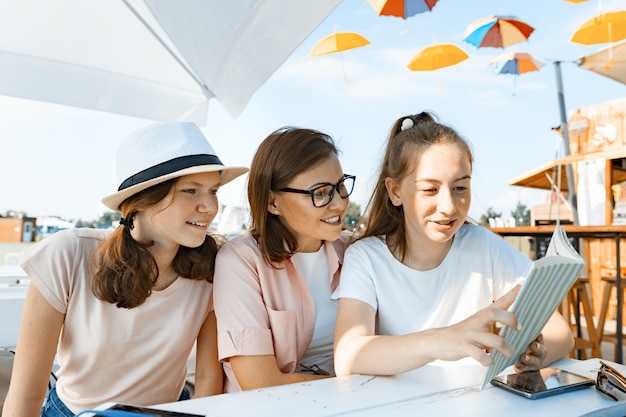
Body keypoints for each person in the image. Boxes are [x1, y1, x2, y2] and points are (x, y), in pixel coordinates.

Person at [2, 121, 248, 417]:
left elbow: (209, 380)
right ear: (141, 201)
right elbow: (26, 395)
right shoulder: (68, 253)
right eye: (190, 190)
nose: (209, 207)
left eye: (213, 191)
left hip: (169, 411)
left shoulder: (213, 267)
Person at [332, 111, 574, 377]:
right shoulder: (366, 258)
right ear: (395, 191)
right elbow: (347, 357)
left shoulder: (483, 245)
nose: (448, 207)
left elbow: (560, 331)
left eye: (460, 188)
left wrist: (538, 353)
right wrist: (439, 341)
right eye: (430, 190)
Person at [213, 127, 354, 392]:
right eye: (321, 193)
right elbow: (261, 383)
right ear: (272, 202)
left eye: (341, 186)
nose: (339, 203)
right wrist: (358, 387)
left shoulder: (355, 251)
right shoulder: (241, 261)